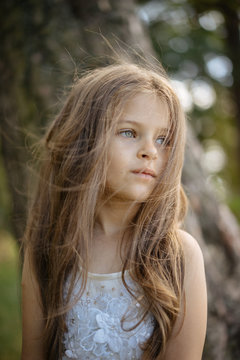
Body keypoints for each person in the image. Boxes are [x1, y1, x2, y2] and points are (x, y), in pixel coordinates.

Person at [21, 62, 207, 360]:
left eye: (163, 139)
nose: (151, 151)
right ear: (83, 141)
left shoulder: (178, 255)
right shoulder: (46, 250)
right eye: (129, 132)